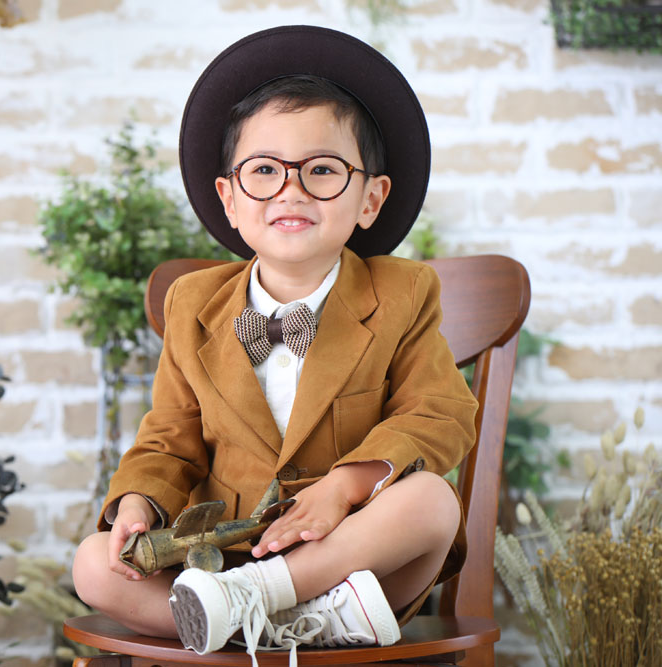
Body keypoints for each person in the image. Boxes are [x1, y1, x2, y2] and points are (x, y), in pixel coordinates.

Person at [71, 25, 478, 666]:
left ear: (370, 199)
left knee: (432, 501)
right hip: (222, 557)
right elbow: (169, 437)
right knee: (93, 565)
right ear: (230, 199)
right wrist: (140, 501)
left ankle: (257, 605)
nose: (291, 188)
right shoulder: (193, 304)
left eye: (322, 170)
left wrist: (345, 487)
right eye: (264, 170)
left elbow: (439, 414)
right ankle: (286, 623)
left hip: (353, 565)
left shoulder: (402, 294)